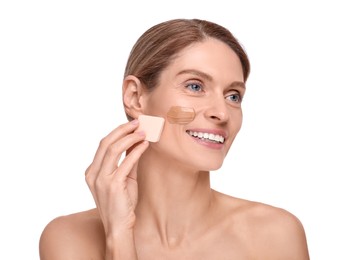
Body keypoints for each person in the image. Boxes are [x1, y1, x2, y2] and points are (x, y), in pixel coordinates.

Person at [39, 18, 310, 259]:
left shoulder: (275, 236)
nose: (221, 112)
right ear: (135, 97)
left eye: (233, 95)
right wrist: (119, 237)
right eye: (195, 86)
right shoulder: (69, 239)